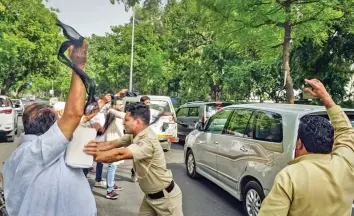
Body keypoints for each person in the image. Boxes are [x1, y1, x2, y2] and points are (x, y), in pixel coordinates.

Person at [3, 42, 97, 216]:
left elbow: (74, 120)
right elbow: (73, 115)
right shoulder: (32, 151)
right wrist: (78, 65)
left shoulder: (30, 152)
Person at [258, 79, 354, 216]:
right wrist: (326, 98)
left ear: (299, 143)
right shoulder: (347, 163)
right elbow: (346, 131)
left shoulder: (290, 176)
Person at [84, 102, 184, 216]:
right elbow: (113, 144)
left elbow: (120, 154)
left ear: (137, 122)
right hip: (149, 198)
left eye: (126, 120)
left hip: (166, 200)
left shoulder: (147, 140)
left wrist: (92, 156)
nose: (123, 122)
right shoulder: (134, 135)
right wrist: (89, 147)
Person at [101, 96, 126, 199]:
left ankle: (112, 185)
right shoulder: (111, 112)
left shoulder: (113, 112)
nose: (121, 106)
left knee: (114, 166)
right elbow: (122, 115)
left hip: (117, 142)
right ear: (114, 105)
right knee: (112, 166)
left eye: (122, 104)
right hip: (112, 143)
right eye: (119, 104)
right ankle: (109, 190)